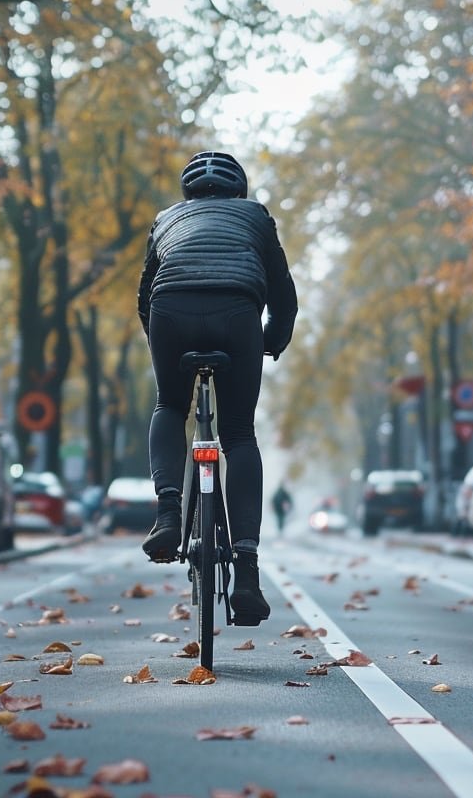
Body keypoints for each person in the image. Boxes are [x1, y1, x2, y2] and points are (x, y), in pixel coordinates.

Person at [136, 150, 298, 626]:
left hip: (172, 309)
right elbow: (283, 293)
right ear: (239, 190)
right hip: (236, 314)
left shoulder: (166, 219)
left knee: (169, 404)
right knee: (239, 435)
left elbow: (145, 295)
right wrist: (273, 340)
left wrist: (161, 343)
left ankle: (168, 516)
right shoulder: (255, 217)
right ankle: (246, 572)